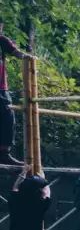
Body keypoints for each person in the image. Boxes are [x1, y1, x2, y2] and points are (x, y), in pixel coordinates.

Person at [0, 27, 33, 166]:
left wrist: (27, 57)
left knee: (7, 116)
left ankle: (3, 153)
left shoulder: (1, 40)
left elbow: (16, 52)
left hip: (1, 88)